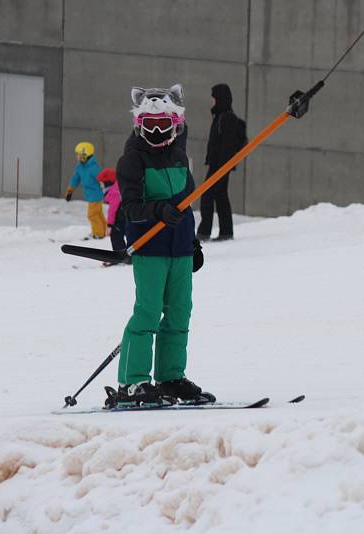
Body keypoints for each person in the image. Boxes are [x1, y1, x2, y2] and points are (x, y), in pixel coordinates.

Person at [109, 84, 210, 407]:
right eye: (149, 125)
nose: (156, 131)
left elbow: (186, 203)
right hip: (150, 247)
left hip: (178, 249)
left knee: (180, 313)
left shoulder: (179, 157)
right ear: (139, 124)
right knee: (148, 312)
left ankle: (170, 377)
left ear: (174, 123)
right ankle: (133, 381)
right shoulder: (132, 160)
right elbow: (130, 208)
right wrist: (157, 211)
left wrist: (192, 243)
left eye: (162, 125)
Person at [196, 83, 247, 242]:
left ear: (219, 98)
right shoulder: (220, 116)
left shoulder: (226, 118)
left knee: (207, 196)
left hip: (220, 166)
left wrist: (221, 168)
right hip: (218, 165)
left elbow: (227, 145)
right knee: (220, 197)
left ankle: (204, 233)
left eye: (214, 97)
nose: (211, 100)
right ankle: (226, 232)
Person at [65, 142, 107, 239]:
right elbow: (75, 179)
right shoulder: (80, 167)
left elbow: (102, 179)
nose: (77, 157)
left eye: (78, 155)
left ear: (84, 155)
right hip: (90, 195)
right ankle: (104, 231)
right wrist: (70, 190)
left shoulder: (93, 168)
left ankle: (98, 234)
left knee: (92, 215)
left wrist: (106, 189)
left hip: (96, 195)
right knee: (98, 214)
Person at [96, 167, 128, 264]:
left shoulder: (114, 191)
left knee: (116, 236)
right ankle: (129, 256)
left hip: (120, 217)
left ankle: (120, 257)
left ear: (108, 182)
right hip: (126, 216)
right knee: (129, 235)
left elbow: (112, 210)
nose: (101, 186)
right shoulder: (119, 187)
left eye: (101, 183)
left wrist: (109, 225)